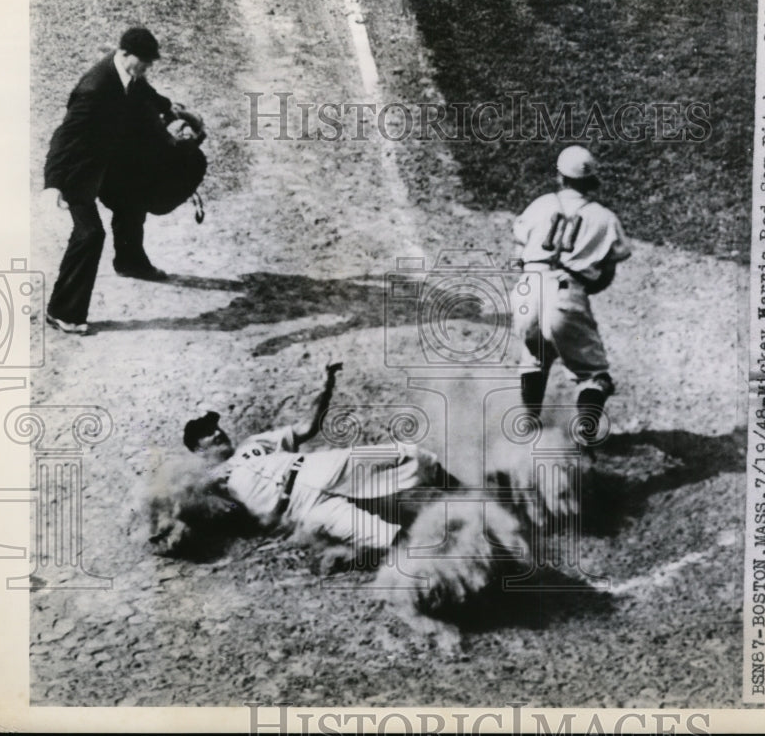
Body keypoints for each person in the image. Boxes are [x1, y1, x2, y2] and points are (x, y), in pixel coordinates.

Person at [149, 362, 456, 562]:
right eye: (206, 433)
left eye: (215, 427)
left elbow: (308, 427)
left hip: (318, 468)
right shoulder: (201, 486)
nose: (216, 432)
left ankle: (470, 494)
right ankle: (452, 564)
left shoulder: (254, 444)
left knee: (409, 453)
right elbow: (179, 517)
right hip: (302, 511)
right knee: (384, 536)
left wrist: (326, 387)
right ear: (197, 451)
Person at [43, 27, 188, 335]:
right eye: (144, 61)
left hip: (106, 164)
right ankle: (61, 311)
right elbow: (64, 137)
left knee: (131, 198)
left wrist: (167, 106)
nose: (147, 67)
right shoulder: (93, 88)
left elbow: (142, 89)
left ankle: (130, 261)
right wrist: (53, 183)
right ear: (124, 53)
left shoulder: (128, 72)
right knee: (89, 234)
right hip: (77, 170)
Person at [510, 145, 631, 440]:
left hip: (525, 292)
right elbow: (606, 273)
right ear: (592, 181)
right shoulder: (603, 217)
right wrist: (581, 289)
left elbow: (517, 257)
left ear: (560, 177)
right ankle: (584, 441)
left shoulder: (539, 205)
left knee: (534, 359)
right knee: (594, 376)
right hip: (565, 294)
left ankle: (526, 432)